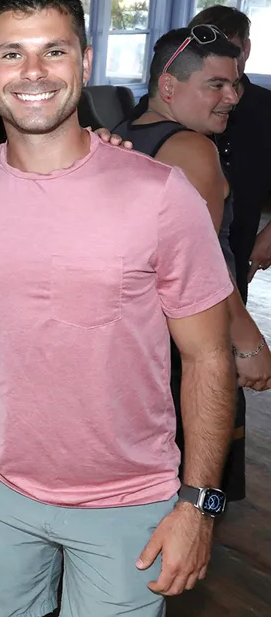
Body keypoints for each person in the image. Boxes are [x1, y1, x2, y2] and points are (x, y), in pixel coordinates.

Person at [0, 0, 237, 616]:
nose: (33, 72)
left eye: (55, 50)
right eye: (11, 53)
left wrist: (199, 503)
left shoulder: (159, 193)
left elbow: (210, 357)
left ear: (85, 61)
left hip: (126, 502)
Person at [112, 26, 271, 504]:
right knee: (193, 475)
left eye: (235, 84)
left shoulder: (122, 133)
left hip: (141, 337)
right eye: (216, 85)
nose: (232, 97)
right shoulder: (191, 149)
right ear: (168, 86)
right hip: (188, 341)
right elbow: (207, 267)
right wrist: (247, 343)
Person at [188, 6, 271, 301]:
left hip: (237, 255)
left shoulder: (266, 108)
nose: (219, 60)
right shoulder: (175, 101)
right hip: (180, 259)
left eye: (230, 50)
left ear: (246, 49)